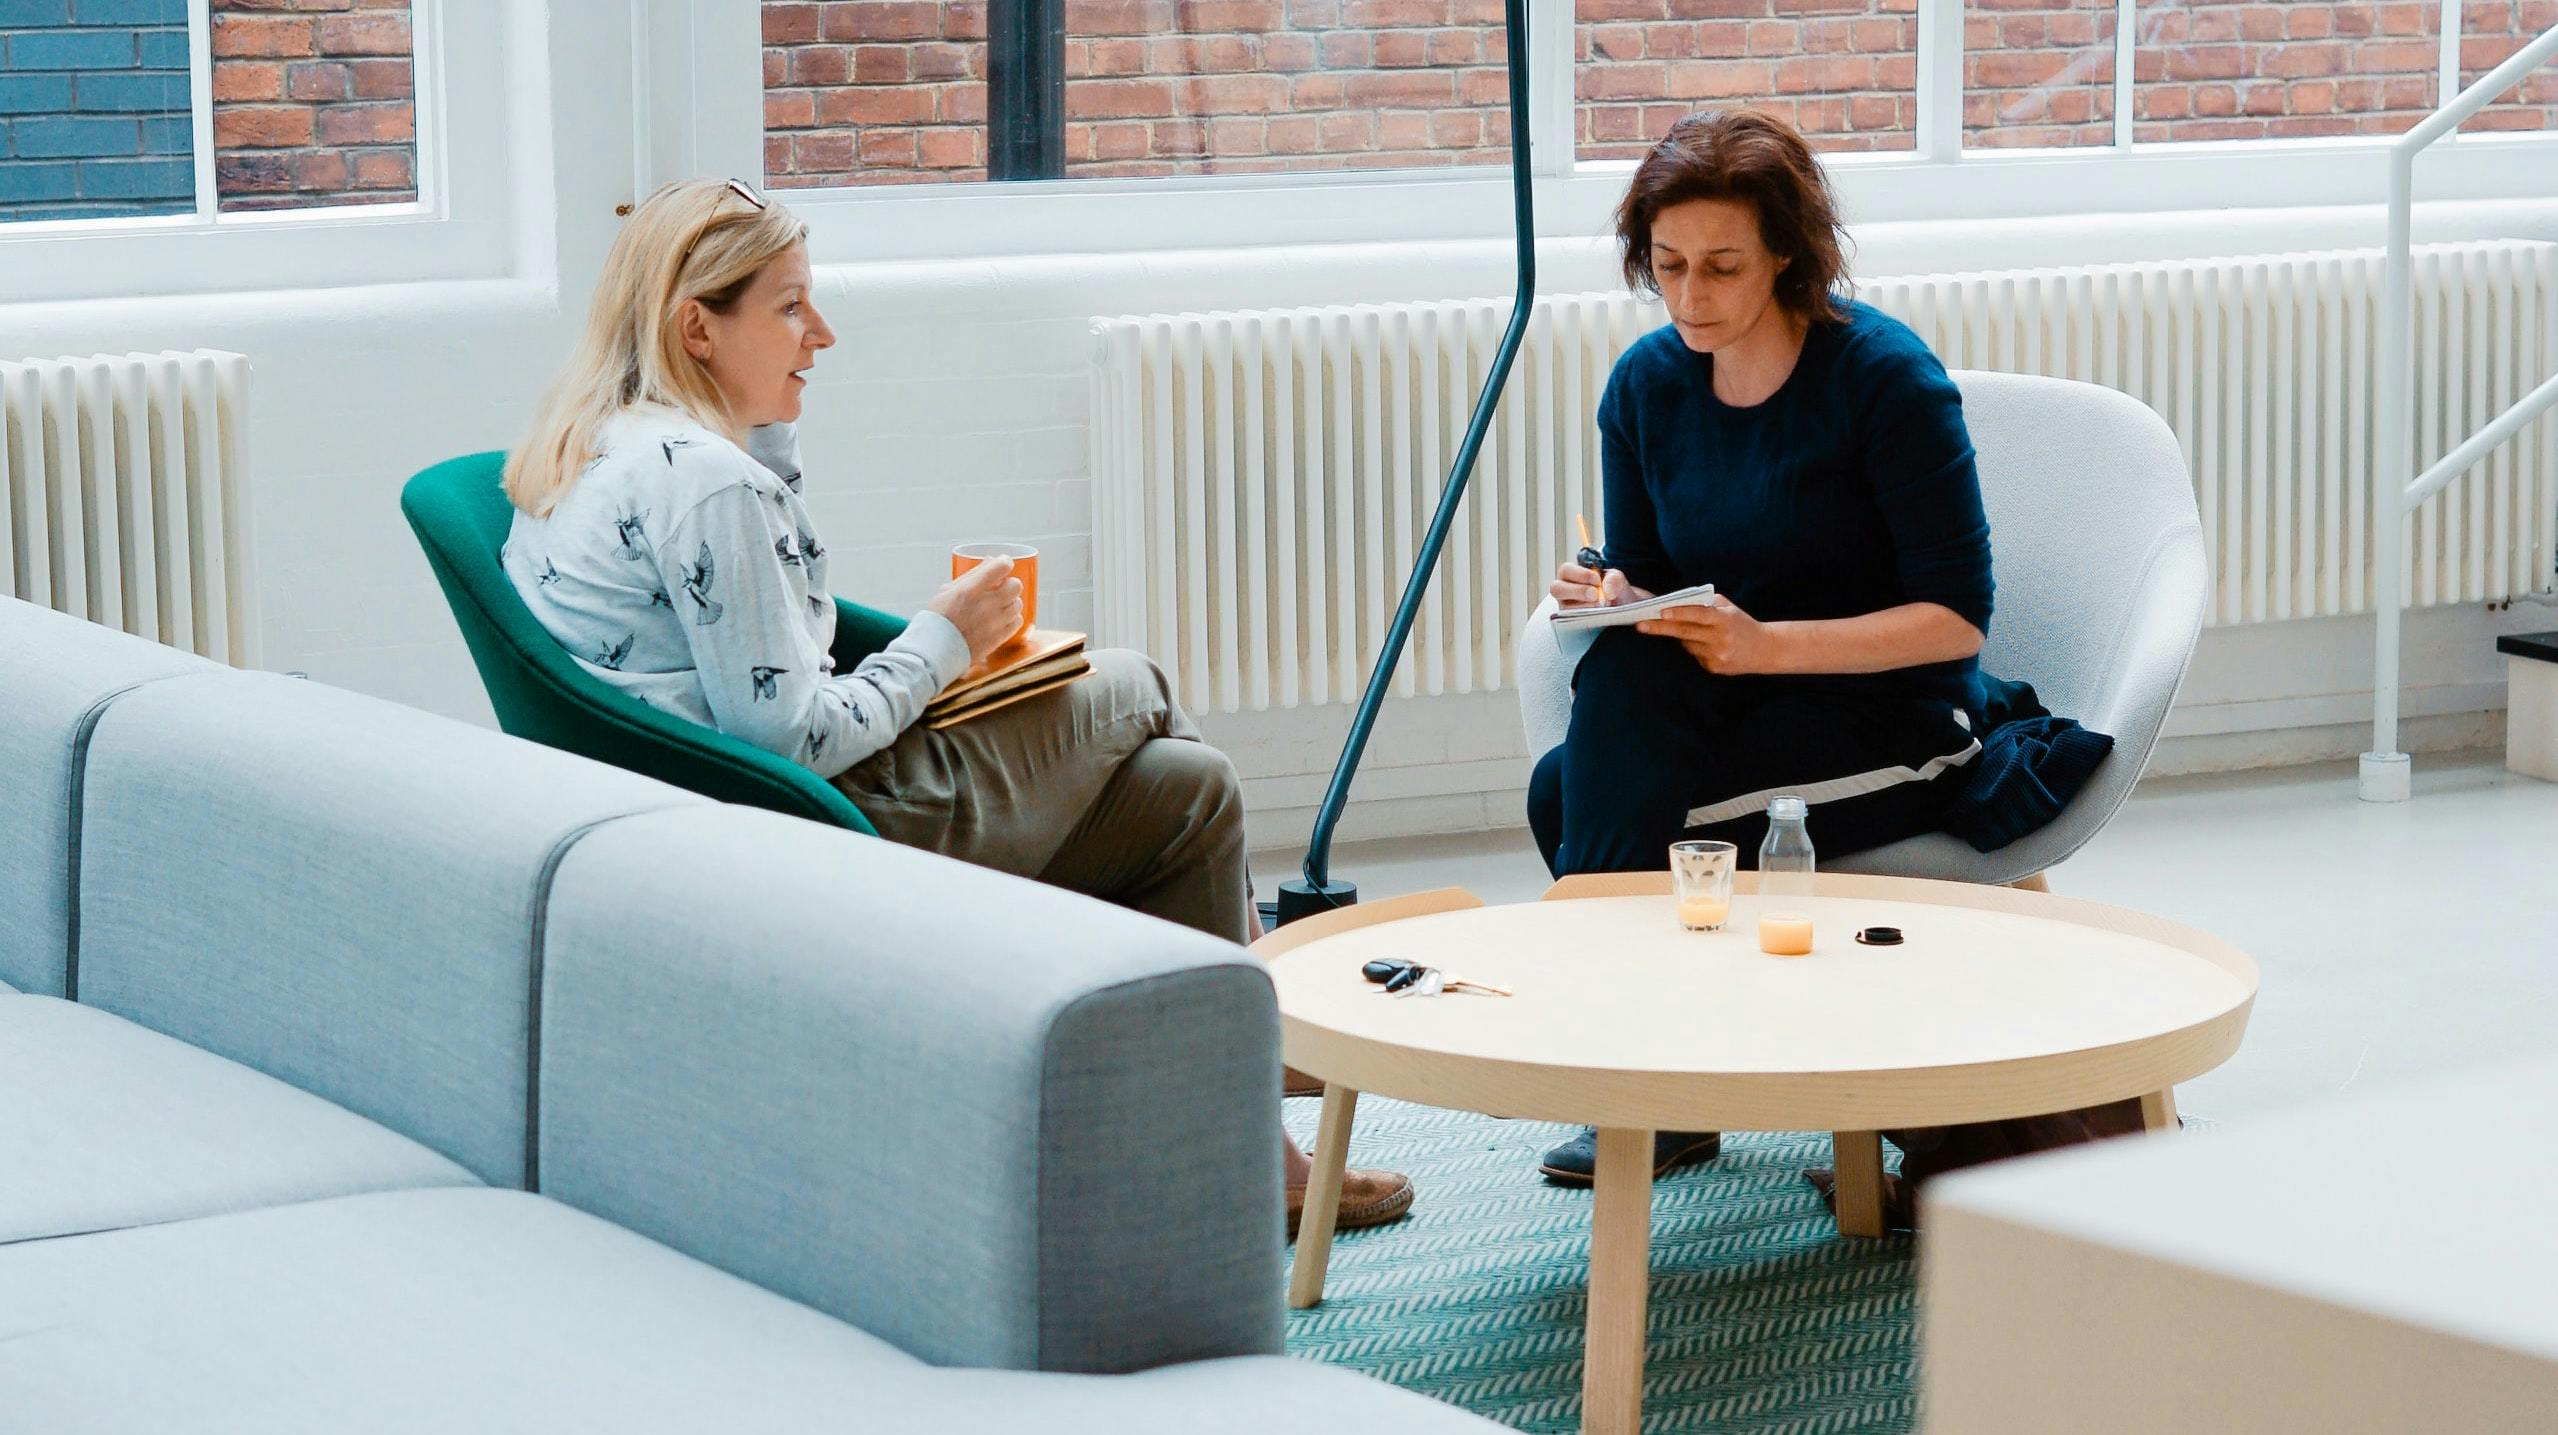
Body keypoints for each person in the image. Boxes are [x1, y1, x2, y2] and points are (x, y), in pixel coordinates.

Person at [500, 177, 1411, 1236]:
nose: (822, 333)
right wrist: (944, 638)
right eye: (790, 306)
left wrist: (778, 451)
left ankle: (1245, 1147)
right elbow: (786, 733)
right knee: (1134, 681)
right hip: (823, 828)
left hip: (734, 819)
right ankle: (1267, 1037)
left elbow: (770, 650)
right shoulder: (710, 487)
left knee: (1188, 791)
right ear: (696, 326)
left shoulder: (617, 445)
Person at [1525, 114, 2137, 1208]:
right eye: (1666, 266)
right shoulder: (1646, 386)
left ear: (1785, 257)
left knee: (1598, 800)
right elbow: (1654, 575)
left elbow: (1954, 620)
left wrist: (1765, 647)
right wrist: (1610, 594)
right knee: (1563, 775)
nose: (1689, 296)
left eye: (1720, 265)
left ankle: (1629, 1054)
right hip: (1736, 702)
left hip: (1892, 715)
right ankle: (1650, 1054)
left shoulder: (1881, 379)